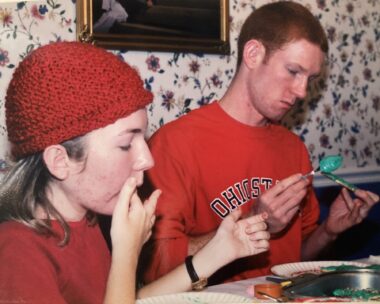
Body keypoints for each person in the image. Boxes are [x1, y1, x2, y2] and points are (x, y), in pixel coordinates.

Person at [0, 41, 271, 304]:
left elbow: (125, 298)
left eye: (143, 137)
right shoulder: (16, 254)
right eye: (126, 144)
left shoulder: (87, 221)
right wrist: (126, 255)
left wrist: (218, 252)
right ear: (60, 161)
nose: (147, 159)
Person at [142, 1, 380, 285]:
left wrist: (328, 231)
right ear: (253, 54)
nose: (302, 91)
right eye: (293, 71)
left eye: (310, 78)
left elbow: (294, 261)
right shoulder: (174, 144)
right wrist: (253, 224)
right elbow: (154, 269)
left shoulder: (293, 149)